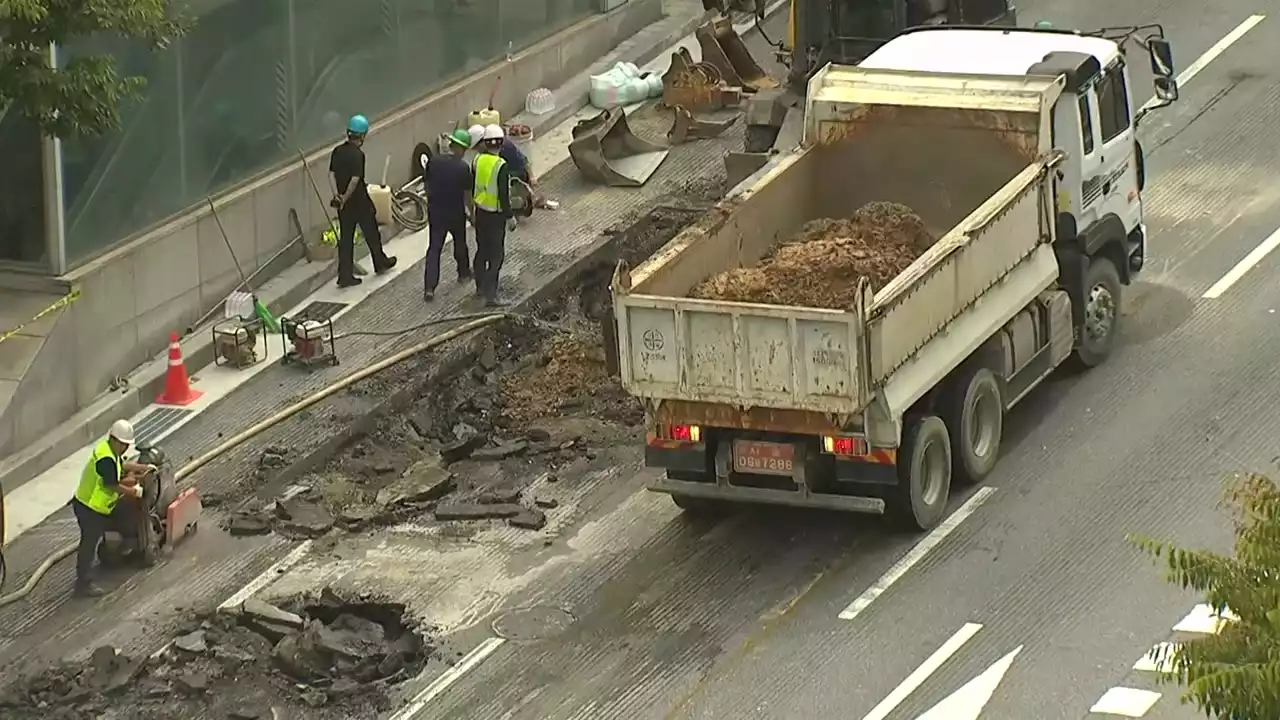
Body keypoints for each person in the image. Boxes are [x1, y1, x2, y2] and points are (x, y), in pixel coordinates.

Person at [70, 419, 156, 598]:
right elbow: (111, 485)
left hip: (100, 507)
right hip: (89, 508)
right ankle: (83, 584)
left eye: (127, 445)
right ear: (114, 440)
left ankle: (123, 545)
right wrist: (133, 491)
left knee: (124, 515)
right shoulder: (105, 458)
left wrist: (144, 467)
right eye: (123, 445)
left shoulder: (110, 450)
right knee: (88, 544)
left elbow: (122, 465)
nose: (125, 449)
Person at [329, 114, 397, 288]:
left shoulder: (337, 151)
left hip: (343, 205)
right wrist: (345, 196)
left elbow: (331, 174)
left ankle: (344, 275)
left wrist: (337, 195)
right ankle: (380, 262)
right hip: (358, 201)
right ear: (362, 136)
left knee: (346, 239)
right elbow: (355, 179)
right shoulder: (358, 155)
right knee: (371, 232)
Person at [422, 129, 475, 302]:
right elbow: (467, 196)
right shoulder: (462, 168)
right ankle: (464, 273)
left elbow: (427, 186)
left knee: (434, 248)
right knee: (460, 243)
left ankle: (429, 287)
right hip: (455, 213)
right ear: (461, 148)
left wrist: (432, 202)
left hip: (436, 212)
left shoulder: (434, 161)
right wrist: (472, 214)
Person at [471, 124, 516, 307]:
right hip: (496, 217)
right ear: (501, 143)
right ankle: (491, 295)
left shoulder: (477, 160)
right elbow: (503, 195)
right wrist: (510, 216)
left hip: (481, 213)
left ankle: (480, 286)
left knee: (482, 251)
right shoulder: (501, 166)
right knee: (497, 256)